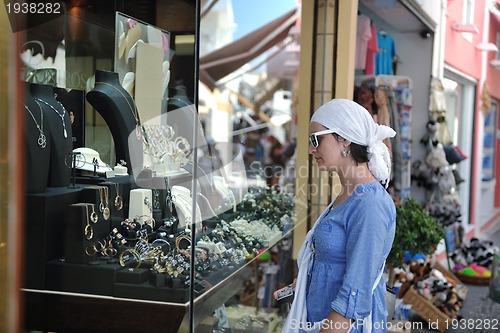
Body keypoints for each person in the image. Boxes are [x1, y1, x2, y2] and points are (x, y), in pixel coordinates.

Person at [276, 99, 397, 333]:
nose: (311, 149)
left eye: (316, 139)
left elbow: (355, 291)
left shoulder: (369, 203)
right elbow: (335, 262)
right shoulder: (349, 194)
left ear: (344, 139)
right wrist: (301, 285)